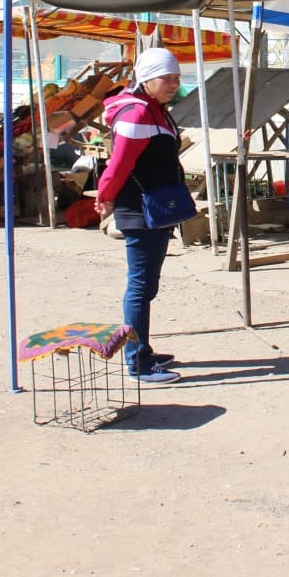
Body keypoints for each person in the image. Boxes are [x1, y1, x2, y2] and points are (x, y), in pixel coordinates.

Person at [95, 48, 187, 385]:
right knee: (140, 286)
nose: (173, 84)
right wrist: (104, 197)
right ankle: (137, 362)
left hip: (155, 209)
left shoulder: (155, 110)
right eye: (167, 78)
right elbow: (118, 165)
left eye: (176, 78)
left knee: (146, 286)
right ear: (147, 79)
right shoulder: (137, 115)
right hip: (140, 210)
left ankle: (142, 349)